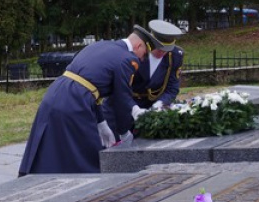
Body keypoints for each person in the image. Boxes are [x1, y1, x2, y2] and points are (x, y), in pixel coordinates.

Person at [18, 25, 167, 175]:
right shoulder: (127, 59)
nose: (142, 59)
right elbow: (121, 99)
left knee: (50, 144)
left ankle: (37, 179)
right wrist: (124, 133)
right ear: (139, 45)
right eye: (144, 54)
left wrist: (101, 123)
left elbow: (89, 86)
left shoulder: (101, 45)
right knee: (86, 153)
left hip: (56, 93)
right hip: (75, 102)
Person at [103, 20, 184, 143]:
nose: (162, 53)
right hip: (120, 108)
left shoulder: (175, 56)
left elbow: (172, 88)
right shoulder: (133, 51)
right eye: (159, 48)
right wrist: (134, 110)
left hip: (149, 111)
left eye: (166, 49)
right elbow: (119, 89)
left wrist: (159, 104)